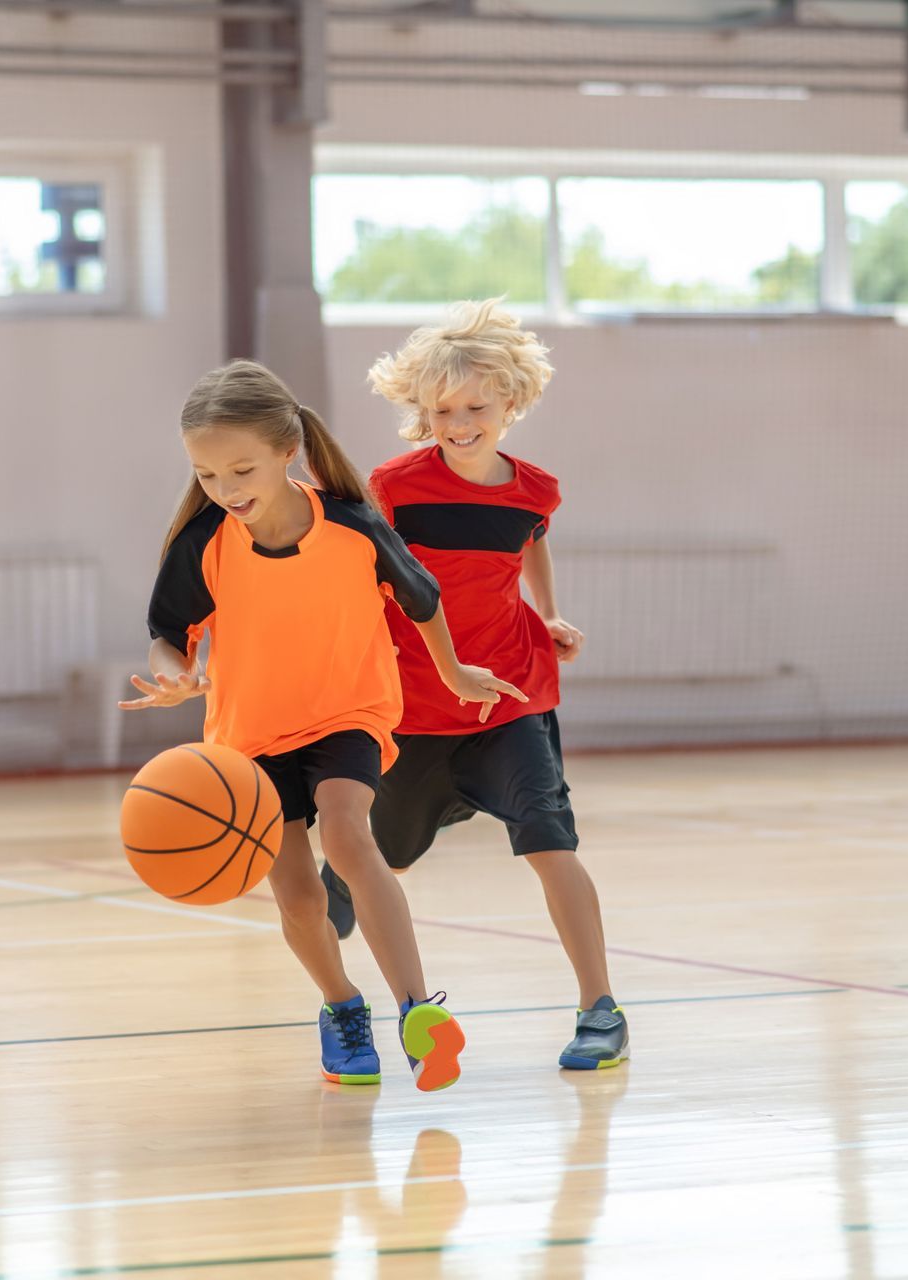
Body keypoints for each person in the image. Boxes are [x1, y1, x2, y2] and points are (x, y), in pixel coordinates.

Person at [123, 359, 524, 1091]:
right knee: (301, 898)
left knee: (347, 831)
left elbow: (422, 599)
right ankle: (341, 1006)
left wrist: (454, 672)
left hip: (348, 713)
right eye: (207, 476)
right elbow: (167, 630)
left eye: (240, 469)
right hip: (249, 739)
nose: (225, 489)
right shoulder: (205, 542)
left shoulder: (351, 527)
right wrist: (175, 671)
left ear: (287, 451)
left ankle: (416, 1010)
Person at [322, 300, 628, 1070]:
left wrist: (551, 614)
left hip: (510, 699)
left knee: (552, 845)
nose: (459, 423)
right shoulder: (392, 487)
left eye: (475, 407)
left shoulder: (535, 491)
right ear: (423, 414)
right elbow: (360, 578)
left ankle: (601, 1011)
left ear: (512, 403)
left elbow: (531, 545)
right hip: (414, 711)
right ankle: (340, 996)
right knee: (368, 871)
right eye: (442, 410)